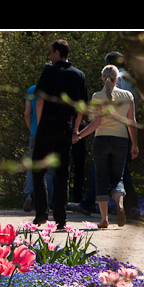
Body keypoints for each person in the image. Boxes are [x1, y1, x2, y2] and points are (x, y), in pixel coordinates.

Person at [31, 40, 88, 227]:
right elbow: (82, 107)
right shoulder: (79, 75)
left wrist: (40, 123)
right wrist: (76, 128)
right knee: (63, 173)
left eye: (50, 53)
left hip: (47, 124)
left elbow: (40, 100)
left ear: (57, 52)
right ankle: (61, 218)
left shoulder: (49, 71)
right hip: (66, 126)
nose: (49, 56)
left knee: (39, 170)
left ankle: (41, 212)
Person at [74, 64, 139, 228]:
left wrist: (80, 135)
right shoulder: (128, 96)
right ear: (117, 79)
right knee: (118, 178)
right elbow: (132, 123)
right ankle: (120, 205)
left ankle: (104, 219)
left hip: (101, 140)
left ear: (103, 79)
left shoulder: (97, 96)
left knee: (101, 179)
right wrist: (135, 145)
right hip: (121, 141)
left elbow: (96, 123)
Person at [22, 81, 54, 212]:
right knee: (49, 169)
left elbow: (27, 114)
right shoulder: (57, 91)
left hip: (35, 132)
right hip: (52, 133)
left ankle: (29, 194)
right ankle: (47, 201)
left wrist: (32, 130)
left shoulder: (32, 90)